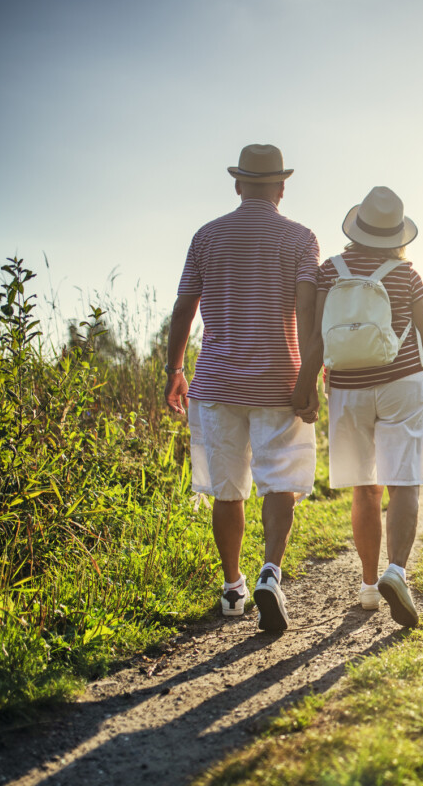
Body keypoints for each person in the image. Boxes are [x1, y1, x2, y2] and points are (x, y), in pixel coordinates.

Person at [165, 143, 321, 633]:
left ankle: (233, 587)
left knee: (226, 489)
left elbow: (183, 309)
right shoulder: (300, 238)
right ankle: (269, 573)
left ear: (237, 184)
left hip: (215, 380)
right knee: (280, 482)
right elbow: (308, 314)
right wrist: (309, 379)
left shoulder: (206, 237)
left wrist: (174, 368)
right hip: (280, 380)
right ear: (280, 187)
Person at [293, 186, 423, 628]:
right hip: (404, 382)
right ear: (396, 235)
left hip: (347, 387)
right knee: (404, 481)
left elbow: (314, 338)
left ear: (358, 227)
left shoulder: (330, 271)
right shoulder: (407, 275)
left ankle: (369, 586)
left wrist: (305, 385)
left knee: (365, 488)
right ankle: (396, 571)